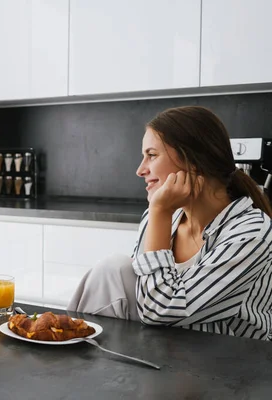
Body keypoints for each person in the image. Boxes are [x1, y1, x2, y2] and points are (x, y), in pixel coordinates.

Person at [68, 106, 272, 340]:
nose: (140, 170)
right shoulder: (164, 217)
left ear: (192, 161)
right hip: (167, 349)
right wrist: (160, 214)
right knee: (112, 269)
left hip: (229, 366)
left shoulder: (251, 232)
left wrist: (160, 212)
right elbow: (145, 295)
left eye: (152, 155)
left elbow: (159, 310)